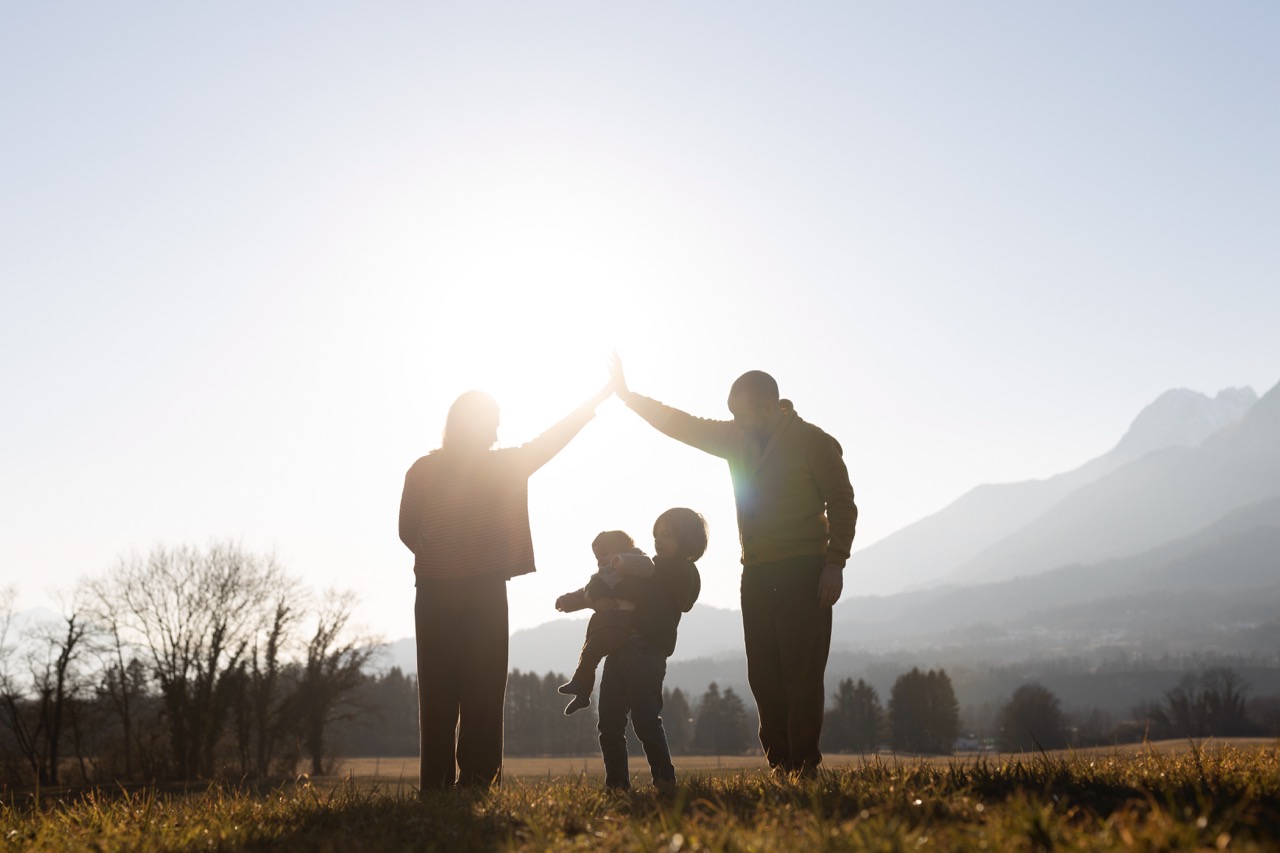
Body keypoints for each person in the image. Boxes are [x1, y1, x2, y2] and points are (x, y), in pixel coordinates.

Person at [611, 356, 856, 777]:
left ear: (768, 406)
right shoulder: (736, 437)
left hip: (804, 571)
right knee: (763, 675)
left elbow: (843, 504)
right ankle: (780, 764)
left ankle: (805, 768)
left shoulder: (814, 442)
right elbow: (682, 424)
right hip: (756, 574)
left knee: (801, 674)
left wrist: (834, 563)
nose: (736, 423)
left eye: (742, 415)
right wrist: (629, 398)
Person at [398, 382, 611, 790]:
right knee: (482, 692)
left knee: (440, 695)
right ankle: (477, 785)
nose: (496, 434)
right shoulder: (497, 466)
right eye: (491, 425)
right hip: (479, 591)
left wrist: (441, 556)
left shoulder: (423, 470)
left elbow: (407, 530)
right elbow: (550, 442)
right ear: (472, 427)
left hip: (436, 591)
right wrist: (592, 404)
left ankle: (438, 788)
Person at [589, 507, 705, 791]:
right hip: (620, 647)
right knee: (609, 721)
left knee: (644, 719)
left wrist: (619, 579)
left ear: (687, 539)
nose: (658, 540)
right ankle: (617, 784)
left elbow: (651, 592)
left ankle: (664, 779)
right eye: (656, 534)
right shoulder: (649, 566)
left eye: (667, 535)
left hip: (646, 650)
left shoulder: (680, 570)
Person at [554, 530, 657, 715]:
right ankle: (583, 694)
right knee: (588, 653)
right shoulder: (603, 575)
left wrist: (621, 561)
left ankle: (580, 686)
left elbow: (647, 566)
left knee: (591, 653)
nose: (600, 560)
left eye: (604, 554)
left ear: (621, 550)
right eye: (597, 556)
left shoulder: (632, 562)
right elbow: (586, 592)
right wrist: (566, 601)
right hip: (602, 624)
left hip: (618, 623)